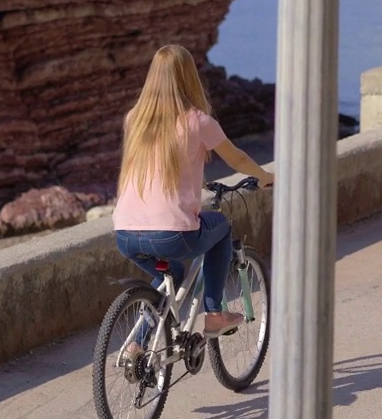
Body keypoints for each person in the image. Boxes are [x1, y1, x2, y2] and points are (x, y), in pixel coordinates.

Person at [112, 44, 274, 340]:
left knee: (170, 274)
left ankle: (137, 345)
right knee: (221, 227)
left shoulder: (134, 118)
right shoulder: (198, 121)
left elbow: (157, 165)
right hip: (172, 234)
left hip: (124, 233)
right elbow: (237, 158)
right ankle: (214, 315)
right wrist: (264, 177)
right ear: (189, 78)